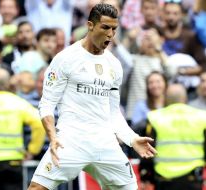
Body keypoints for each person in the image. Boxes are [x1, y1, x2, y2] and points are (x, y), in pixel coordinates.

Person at [28, 3, 156, 190]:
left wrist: (132, 138)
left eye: (114, 29)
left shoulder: (114, 65)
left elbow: (113, 113)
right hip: (71, 141)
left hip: (106, 143)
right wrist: (53, 137)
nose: (110, 34)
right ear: (90, 25)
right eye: (105, 27)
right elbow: (46, 104)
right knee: (36, 188)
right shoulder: (65, 58)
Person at [145, 84, 206, 190]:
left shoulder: (154, 117)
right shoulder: (201, 116)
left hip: (164, 179)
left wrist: (147, 176)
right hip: (192, 179)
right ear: (185, 98)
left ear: (166, 98)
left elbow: (147, 150)